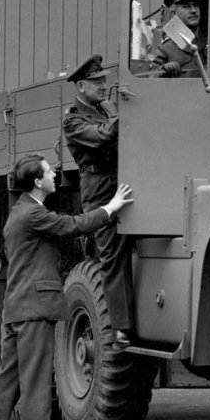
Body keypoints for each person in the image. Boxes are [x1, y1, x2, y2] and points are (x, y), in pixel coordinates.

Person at [0, 154, 133, 420]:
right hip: (35, 310)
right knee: (37, 386)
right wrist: (111, 208)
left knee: (8, 383)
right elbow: (73, 225)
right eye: (49, 170)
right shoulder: (34, 215)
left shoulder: (17, 213)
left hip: (16, 308)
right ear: (38, 182)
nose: (55, 173)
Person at [62, 54, 135, 349]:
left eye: (104, 80)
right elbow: (103, 136)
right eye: (97, 82)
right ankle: (121, 329)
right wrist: (125, 111)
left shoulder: (104, 106)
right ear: (80, 86)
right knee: (112, 254)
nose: (103, 85)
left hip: (120, 178)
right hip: (99, 186)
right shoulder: (72, 120)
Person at [151, 0, 207, 78]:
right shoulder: (167, 48)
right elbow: (152, 77)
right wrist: (164, 70)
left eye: (196, 5)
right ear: (174, 12)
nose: (193, 10)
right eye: (186, 6)